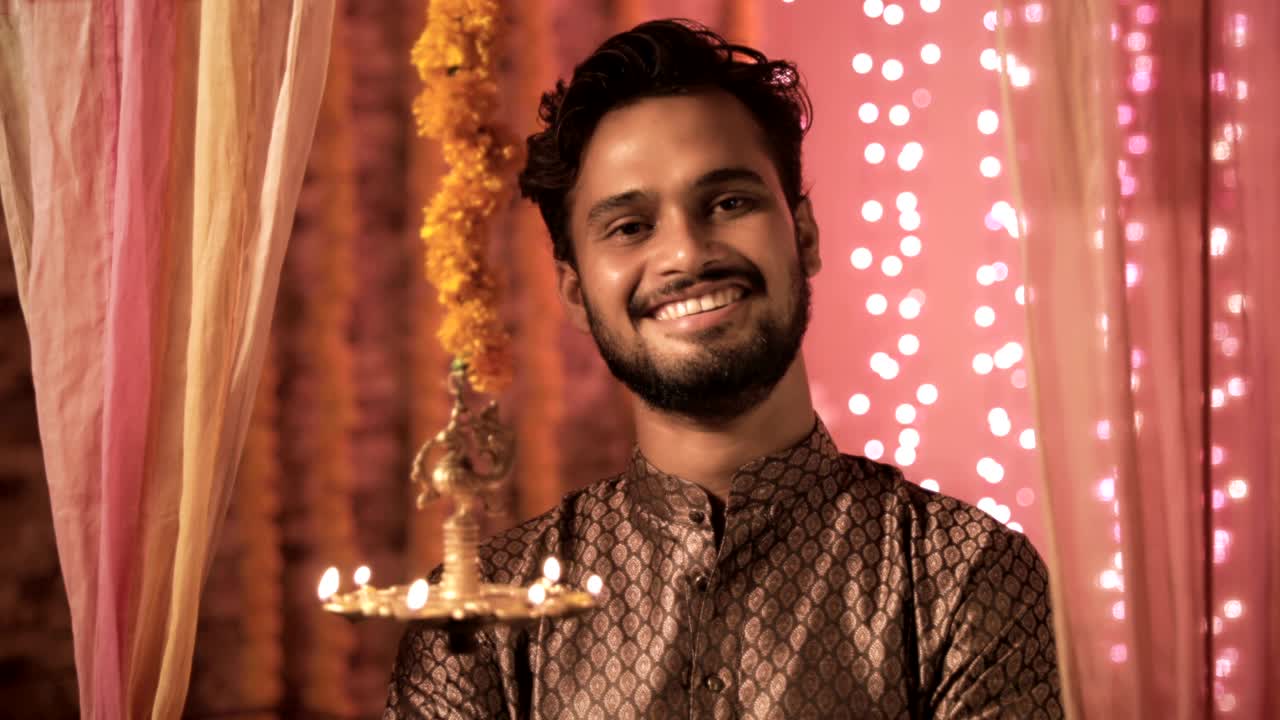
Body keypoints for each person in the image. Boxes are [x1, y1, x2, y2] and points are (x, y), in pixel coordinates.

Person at [385, 18, 1062, 719]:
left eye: (729, 203)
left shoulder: (962, 576)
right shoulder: (481, 619)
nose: (686, 254)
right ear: (577, 294)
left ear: (802, 234)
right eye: (630, 226)